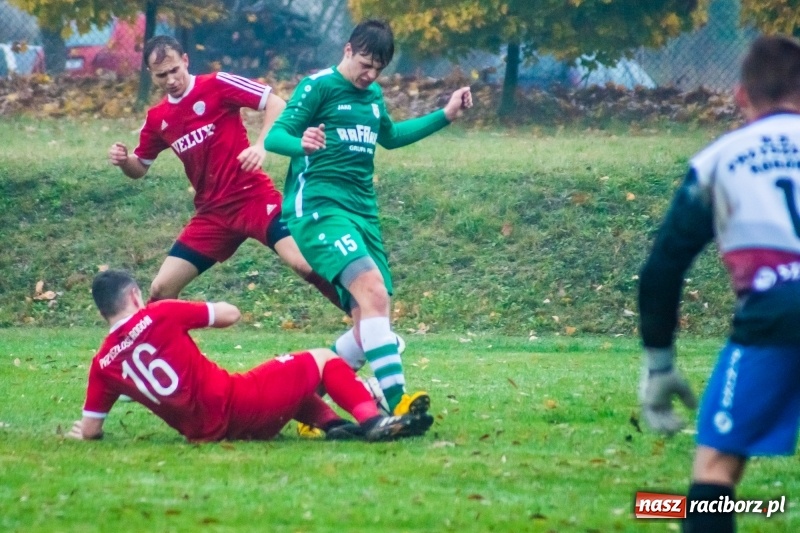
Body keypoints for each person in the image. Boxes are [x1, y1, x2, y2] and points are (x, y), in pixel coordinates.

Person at [265, 19, 473, 417]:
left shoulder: (373, 95)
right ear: (347, 50)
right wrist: (301, 143)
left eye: (378, 68)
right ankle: (397, 402)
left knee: (368, 323)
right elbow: (276, 137)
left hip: (363, 212)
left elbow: (391, 137)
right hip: (319, 209)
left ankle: (306, 409)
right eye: (365, 63)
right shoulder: (318, 86)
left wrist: (444, 114)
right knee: (374, 293)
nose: (370, 74)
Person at [637, 34, 800, 533]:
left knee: (715, 471)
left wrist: (660, 363)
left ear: (740, 96)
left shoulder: (720, 159)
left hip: (774, 312)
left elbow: (663, 267)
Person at [107, 35, 339, 309]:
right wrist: (124, 162)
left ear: (185, 61)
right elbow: (139, 168)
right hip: (212, 215)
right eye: (161, 75)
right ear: (151, 74)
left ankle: (366, 318)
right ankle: (162, 349)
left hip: (252, 198)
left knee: (303, 263)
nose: (170, 80)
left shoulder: (217, 84)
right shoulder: (158, 118)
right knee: (161, 289)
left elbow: (276, 104)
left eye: (174, 70)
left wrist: (260, 147)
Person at [67, 270, 433, 443]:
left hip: (205, 433)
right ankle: (372, 423)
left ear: (104, 311)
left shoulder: (102, 365)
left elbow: (92, 430)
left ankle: (335, 427)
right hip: (239, 406)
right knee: (322, 359)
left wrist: (81, 435)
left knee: (286, 386)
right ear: (134, 296)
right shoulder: (157, 313)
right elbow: (230, 315)